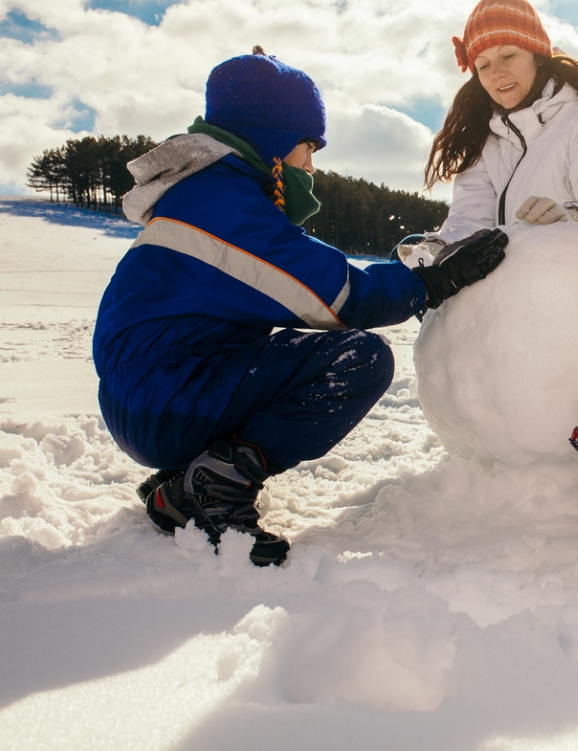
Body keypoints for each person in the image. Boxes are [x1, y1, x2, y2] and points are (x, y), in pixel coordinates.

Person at [95, 48, 507, 566]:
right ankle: (215, 488)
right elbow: (335, 297)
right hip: (169, 399)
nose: (311, 166)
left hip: (153, 395)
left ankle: (184, 486)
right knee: (356, 358)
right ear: (268, 140)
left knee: (277, 352)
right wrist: (429, 283)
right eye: (306, 148)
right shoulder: (225, 207)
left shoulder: (203, 194)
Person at [399, 0, 578, 268]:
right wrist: (439, 249)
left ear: (537, 55)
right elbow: (471, 219)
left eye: (508, 55)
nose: (496, 73)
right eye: (483, 65)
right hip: (515, 292)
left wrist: (574, 218)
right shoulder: (486, 136)